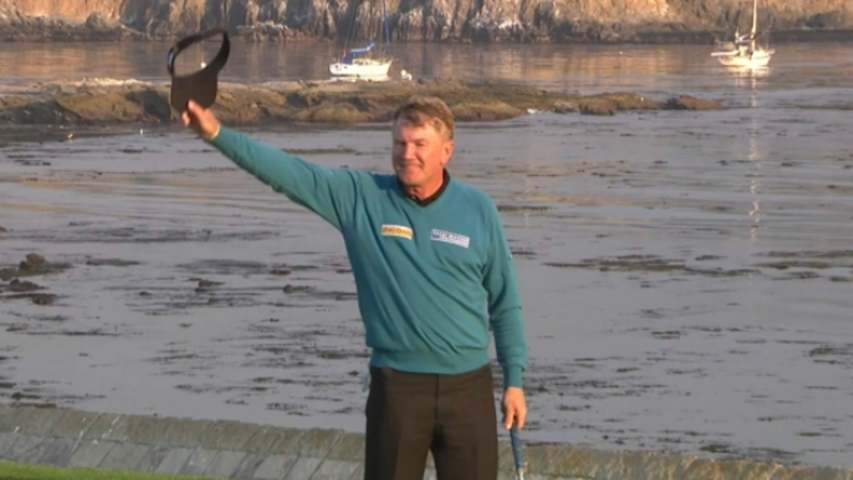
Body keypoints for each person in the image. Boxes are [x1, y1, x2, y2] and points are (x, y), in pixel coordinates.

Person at [181, 95, 528, 480]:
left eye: (419, 145)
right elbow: (289, 174)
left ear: (446, 151)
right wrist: (215, 133)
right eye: (400, 143)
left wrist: (514, 380)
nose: (407, 154)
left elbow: (505, 301)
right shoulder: (361, 197)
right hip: (397, 388)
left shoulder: (478, 209)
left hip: (469, 389)